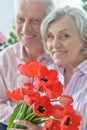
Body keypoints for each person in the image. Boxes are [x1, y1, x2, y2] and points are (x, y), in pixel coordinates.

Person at [0, 0, 54, 130]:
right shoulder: (5, 58)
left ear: (49, 23)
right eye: (20, 19)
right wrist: (22, 121)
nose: (25, 29)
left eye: (35, 21)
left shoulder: (61, 59)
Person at [40, 6, 87, 130]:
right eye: (50, 36)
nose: (55, 44)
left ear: (84, 39)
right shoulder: (45, 76)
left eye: (64, 36)